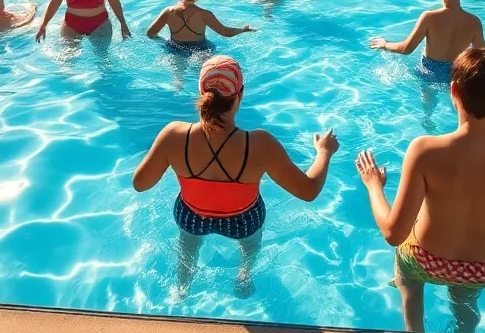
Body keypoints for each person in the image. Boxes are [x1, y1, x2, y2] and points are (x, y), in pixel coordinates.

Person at [355, 48, 485, 333]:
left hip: (426, 260)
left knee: (407, 271)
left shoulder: (424, 150)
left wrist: (373, 186)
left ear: (454, 91)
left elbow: (393, 233)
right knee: (465, 296)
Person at [132, 56, 340, 297]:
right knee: (249, 245)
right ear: (240, 94)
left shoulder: (174, 135)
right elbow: (309, 190)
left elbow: (140, 184)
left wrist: (166, 151)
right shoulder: (260, 144)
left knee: (188, 247)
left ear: (201, 91)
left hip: (191, 215)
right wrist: (324, 152)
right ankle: (244, 276)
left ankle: (181, 289)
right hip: (243, 220)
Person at [370, 0, 485, 82]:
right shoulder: (474, 22)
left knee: (427, 100)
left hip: (428, 72)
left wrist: (385, 44)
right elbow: (482, 56)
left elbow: (406, 48)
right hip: (454, 74)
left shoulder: (429, 17)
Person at [147, 0, 256, 51]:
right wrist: (242, 30)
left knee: (178, 76)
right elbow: (225, 32)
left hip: (175, 47)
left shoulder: (168, 11)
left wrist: (168, 43)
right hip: (200, 48)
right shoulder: (204, 14)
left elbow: (150, 34)